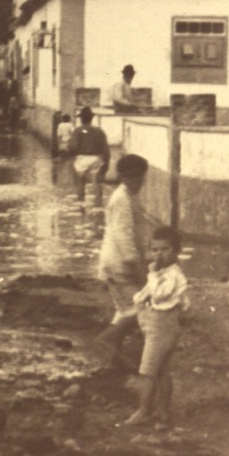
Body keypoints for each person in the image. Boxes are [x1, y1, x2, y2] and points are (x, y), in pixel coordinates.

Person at [120, 226, 190, 427]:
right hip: (155, 326)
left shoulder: (173, 275)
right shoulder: (162, 273)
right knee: (162, 371)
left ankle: (144, 411)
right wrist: (139, 298)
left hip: (162, 327)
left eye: (165, 249)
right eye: (155, 249)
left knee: (148, 371)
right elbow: (147, 292)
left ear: (176, 251)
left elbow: (159, 294)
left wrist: (151, 275)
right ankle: (163, 411)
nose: (159, 254)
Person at [91, 153, 150, 369]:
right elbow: (123, 235)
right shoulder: (121, 199)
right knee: (138, 309)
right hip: (119, 265)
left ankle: (113, 357)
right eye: (135, 178)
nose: (140, 182)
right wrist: (135, 264)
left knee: (124, 310)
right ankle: (106, 340)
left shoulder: (129, 196)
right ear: (125, 177)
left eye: (141, 177)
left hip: (118, 263)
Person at [65, 106, 111, 200]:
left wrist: (70, 154)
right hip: (96, 159)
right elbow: (105, 149)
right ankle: (98, 202)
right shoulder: (99, 131)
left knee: (80, 181)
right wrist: (106, 162)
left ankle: (81, 200)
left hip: (82, 159)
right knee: (97, 182)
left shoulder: (78, 131)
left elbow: (73, 147)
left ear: (81, 119)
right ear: (91, 118)